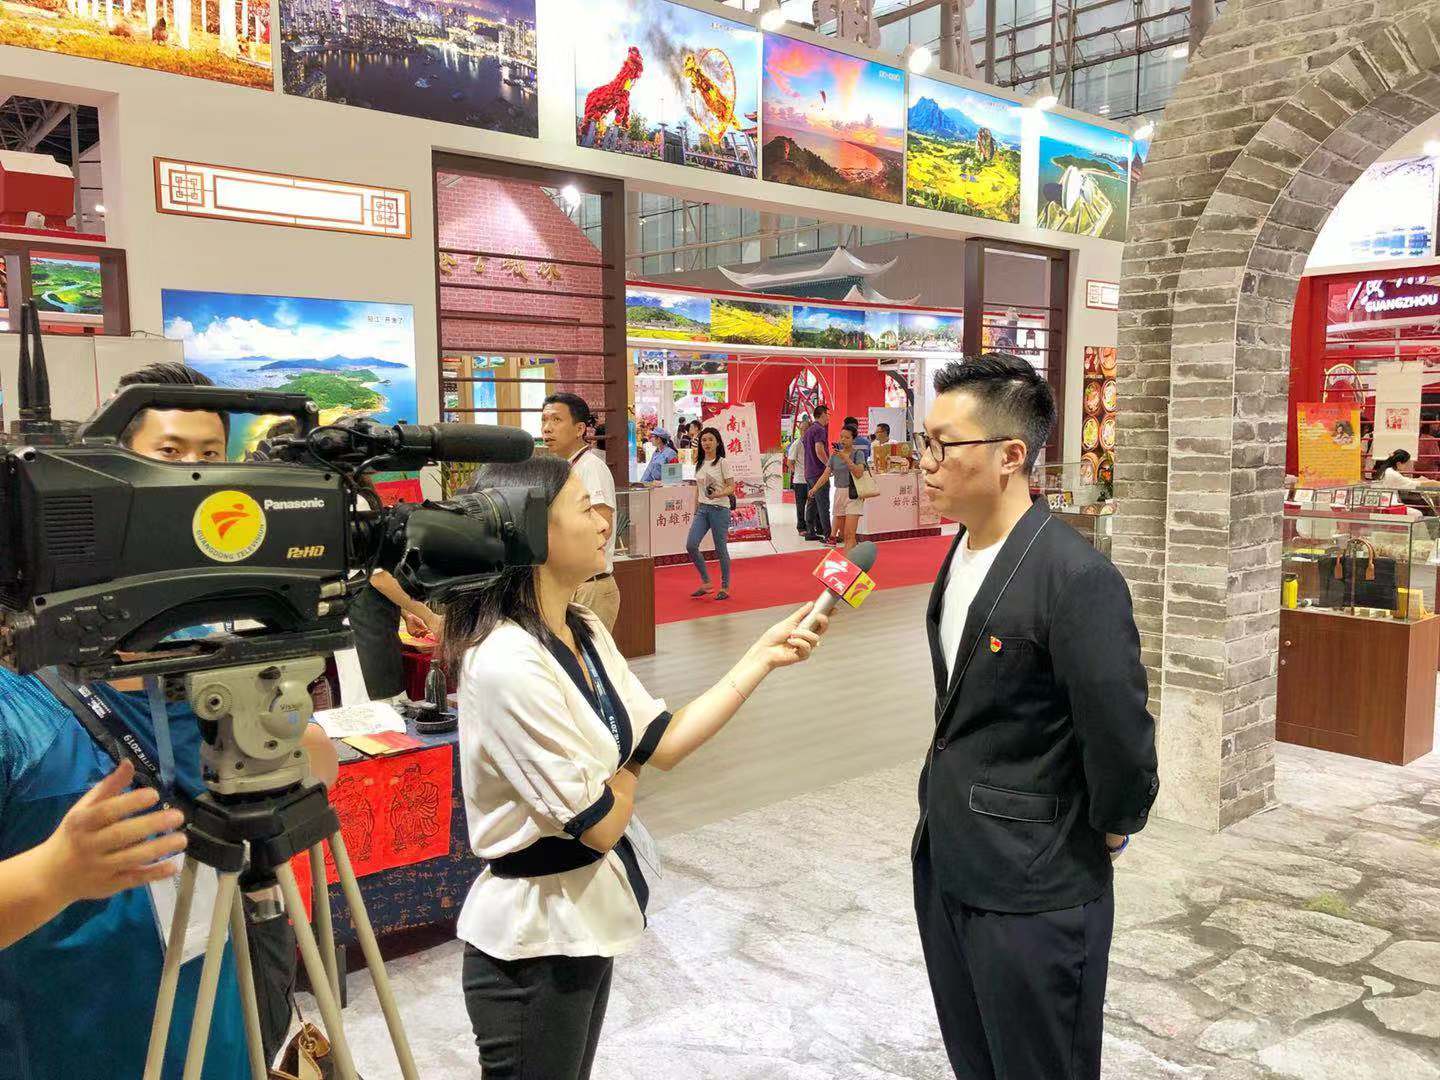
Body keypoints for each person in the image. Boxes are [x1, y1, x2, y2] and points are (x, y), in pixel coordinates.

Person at [0, 361, 341, 1079]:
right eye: (169, 456)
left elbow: (318, 766)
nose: (193, 481)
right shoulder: (16, 692)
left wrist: (280, 739)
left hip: (219, 1025)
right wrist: (55, 873)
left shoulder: (212, 653)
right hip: (68, 1042)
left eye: (210, 457)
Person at [443, 455, 827, 1080]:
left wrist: (759, 658)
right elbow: (599, 824)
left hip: (582, 920)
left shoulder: (584, 627)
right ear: (530, 532)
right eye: (584, 507)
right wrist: (627, 764)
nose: (605, 520)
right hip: (531, 943)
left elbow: (662, 741)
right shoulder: (505, 661)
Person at [912, 352, 1159, 1080]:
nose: (925, 462)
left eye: (943, 445)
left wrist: (1111, 826)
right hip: (950, 857)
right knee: (976, 1058)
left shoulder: (1075, 577)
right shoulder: (962, 552)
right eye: (925, 442)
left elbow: (1118, 729)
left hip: (1034, 883)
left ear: (1011, 456)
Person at [542, 392, 620, 632]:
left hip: (590, 586)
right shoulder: (565, 468)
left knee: (587, 655)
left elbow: (603, 528)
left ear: (579, 429)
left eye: (556, 420)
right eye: (544, 420)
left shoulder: (590, 467)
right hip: (572, 584)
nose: (547, 428)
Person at [685, 426, 736, 600]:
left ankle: (725, 586)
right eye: (704, 440)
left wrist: (718, 494)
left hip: (720, 509)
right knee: (691, 545)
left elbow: (731, 487)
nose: (706, 443)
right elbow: (697, 489)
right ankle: (706, 582)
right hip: (703, 510)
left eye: (710, 440)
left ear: (717, 443)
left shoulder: (722, 462)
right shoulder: (699, 463)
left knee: (720, 548)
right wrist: (696, 510)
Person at [814, 423, 866, 553]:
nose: (843, 440)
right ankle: (853, 555)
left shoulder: (858, 454)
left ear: (853, 439)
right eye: (841, 437)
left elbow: (859, 473)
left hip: (853, 494)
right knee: (842, 534)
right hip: (839, 493)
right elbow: (826, 474)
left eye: (847, 437)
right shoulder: (834, 456)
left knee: (849, 534)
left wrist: (846, 459)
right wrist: (814, 489)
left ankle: (849, 560)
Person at [802, 405, 832, 541]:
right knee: (823, 504)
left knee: (812, 503)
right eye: (828, 415)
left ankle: (810, 531)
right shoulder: (820, 429)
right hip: (819, 472)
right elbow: (819, 450)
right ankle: (828, 535)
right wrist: (829, 465)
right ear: (823, 414)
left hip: (809, 471)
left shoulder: (809, 430)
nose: (829, 418)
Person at [785, 417, 811, 537]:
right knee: (801, 505)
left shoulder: (812, 443)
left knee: (812, 505)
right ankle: (801, 527)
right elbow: (789, 462)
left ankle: (811, 526)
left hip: (811, 479)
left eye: (806, 429)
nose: (803, 432)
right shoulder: (796, 444)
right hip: (800, 480)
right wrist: (798, 472)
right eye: (801, 429)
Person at [1372, 448, 1440, 490]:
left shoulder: (1387, 470)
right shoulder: (1392, 473)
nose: (1407, 466)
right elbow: (1413, 483)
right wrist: (1433, 482)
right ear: (1398, 463)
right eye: (1406, 463)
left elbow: (1404, 480)